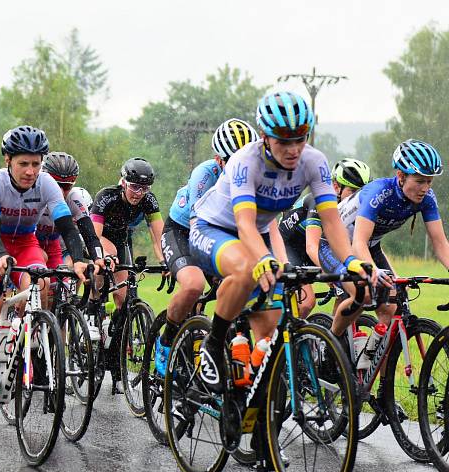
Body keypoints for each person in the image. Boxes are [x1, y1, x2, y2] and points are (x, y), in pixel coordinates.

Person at [189, 91, 370, 393]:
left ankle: (253, 409)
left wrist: (351, 262)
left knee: (268, 335)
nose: (293, 149)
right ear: (264, 137)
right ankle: (214, 342)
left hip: (255, 236)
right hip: (214, 228)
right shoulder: (246, 161)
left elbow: (332, 222)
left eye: (300, 138)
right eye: (283, 140)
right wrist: (264, 258)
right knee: (248, 268)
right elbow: (245, 224)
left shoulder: (314, 161)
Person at [0, 125, 89, 413]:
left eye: (36, 164)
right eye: (24, 163)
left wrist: (80, 258)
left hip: (25, 242)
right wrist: (0, 255)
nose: (31, 171)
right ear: (8, 160)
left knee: (41, 287)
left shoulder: (46, 184)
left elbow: (66, 225)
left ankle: (25, 352)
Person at [154, 118, 258, 376]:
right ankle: (166, 341)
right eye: (232, 161)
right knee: (193, 285)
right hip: (184, 231)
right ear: (219, 160)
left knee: (243, 287)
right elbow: (198, 225)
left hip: (222, 235)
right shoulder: (204, 173)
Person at [321, 139, 449, 338]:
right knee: (362, 294)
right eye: (419, 181)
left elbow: (440, 243)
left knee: (391, 305)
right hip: (335, 244)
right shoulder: (379, 192)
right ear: (400, 175)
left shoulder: (427, 199)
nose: (425, 188)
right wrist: (373, 271)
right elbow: (359, 242)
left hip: (370, 247)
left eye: (429, 181)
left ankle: (370, 359)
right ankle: (328, 345)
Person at [278, 157, 373, 317]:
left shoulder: (352, 208)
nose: (357, 197)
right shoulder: (319, 200)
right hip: (288, 248)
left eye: (361, 192)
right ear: (336, 187)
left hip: (313, 250)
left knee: (347, 290)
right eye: (352, 191)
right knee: (307, 303)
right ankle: (287, 339)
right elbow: (312, 246)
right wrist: (331, 273)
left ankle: (335, 338)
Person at [91, 157, 165, 309]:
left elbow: (160, 237)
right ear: (124, 183)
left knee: (122, 296)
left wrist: (166, 261)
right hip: (98, 237)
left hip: (120, 239)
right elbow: (94, 236)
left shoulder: (149, 200)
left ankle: (117, 331)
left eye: (145, 188)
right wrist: (104, 254)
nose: (139, 193)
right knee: (107, 260)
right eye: (135, 187)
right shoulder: (107, 196)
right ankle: (92, 311)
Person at [35, 151, 104, 270]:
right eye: (55, 185)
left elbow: (90, 236)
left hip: (53, 247)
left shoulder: (74, 197)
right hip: (26, 244)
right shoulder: (32, 194)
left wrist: (98, 259)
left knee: (67, 275)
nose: (60, 192)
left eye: (66, 186)